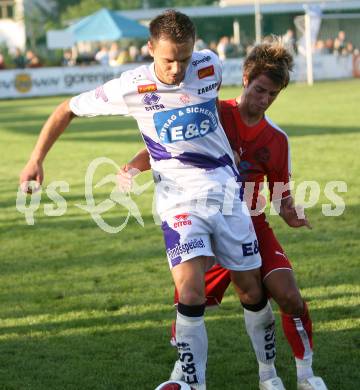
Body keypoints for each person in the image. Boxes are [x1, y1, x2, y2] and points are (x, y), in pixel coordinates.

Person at [19, 10, 274, 389]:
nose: (177, 69)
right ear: (150, 48)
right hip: (176, 201)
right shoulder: (131, 86)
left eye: (184, 59)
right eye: (168, 59)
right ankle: (193, 382)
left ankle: (268, 376)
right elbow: (66, 109)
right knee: (190, 291)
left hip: (225, 194)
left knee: (251, 290)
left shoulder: (210, 66)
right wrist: (36, 159)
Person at [117, 38, 328, 390]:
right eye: (260, 89)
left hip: (252, 223)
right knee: (190, 298)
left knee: (289, 296)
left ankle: (304, 374)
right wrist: (132, 167)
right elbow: (164, 142)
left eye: (272, 94)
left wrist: (292, 213)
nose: (263, 99)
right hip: (206, 219)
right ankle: (183, 374)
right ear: (246, 78)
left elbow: (281, 195)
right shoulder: (211, 111)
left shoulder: (277, 139)